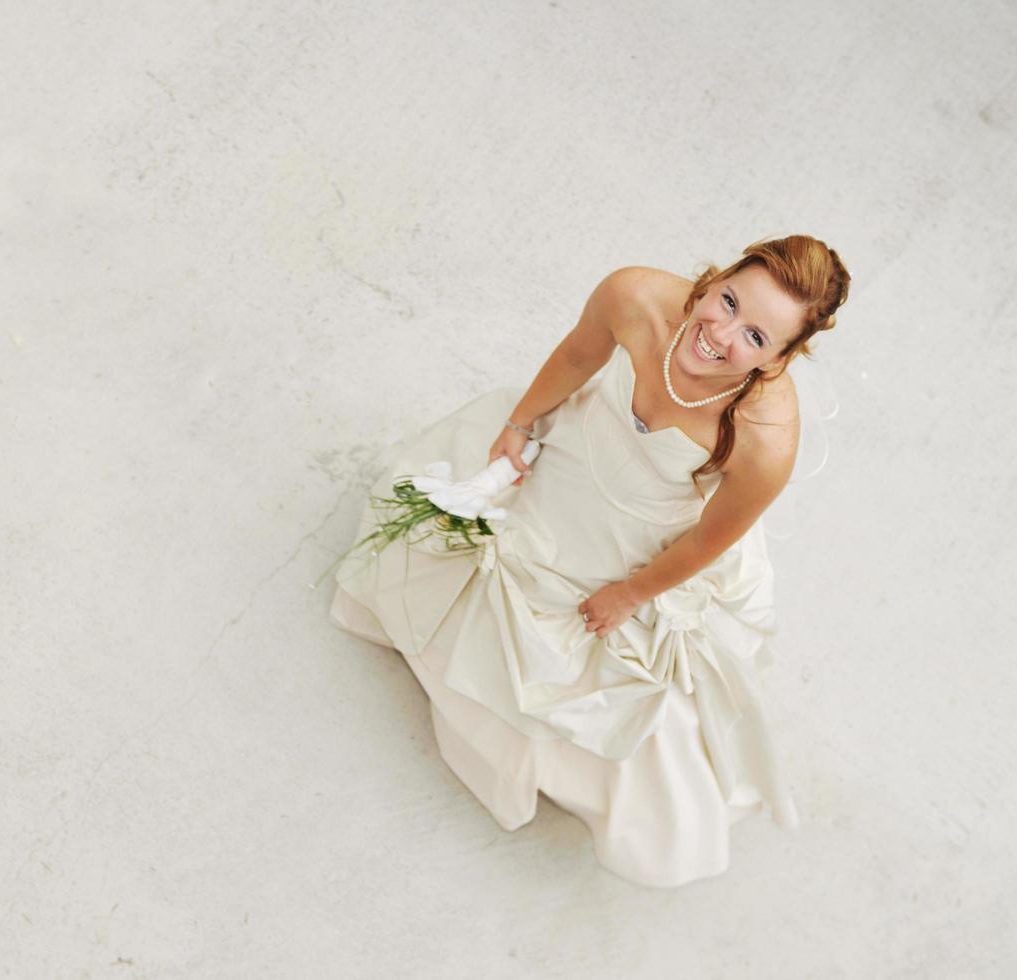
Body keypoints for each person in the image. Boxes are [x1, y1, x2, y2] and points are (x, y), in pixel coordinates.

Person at [327, 234, 852, 887]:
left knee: (575, 679)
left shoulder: (765, 440)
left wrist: (630, 594)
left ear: (778, 360)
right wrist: (520, 423)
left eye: (754, 338)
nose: (719, 334)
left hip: (642, 539)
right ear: (717, 275)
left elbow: (708, 541)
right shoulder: (633, 295)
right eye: (727, 300)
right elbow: (579, 353)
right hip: (572, 460)